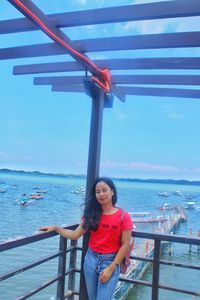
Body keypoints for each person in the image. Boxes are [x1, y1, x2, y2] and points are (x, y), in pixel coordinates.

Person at [39, 177, 133, 300]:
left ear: (112, 191)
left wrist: (112, 267)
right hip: (91, 259)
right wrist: (56, 228)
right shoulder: (92, 214)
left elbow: (125, 244)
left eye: (104, 190)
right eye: (98, 191)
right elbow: (75, 234)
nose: (101, 194)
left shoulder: (123, 216)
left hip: (110, 261)